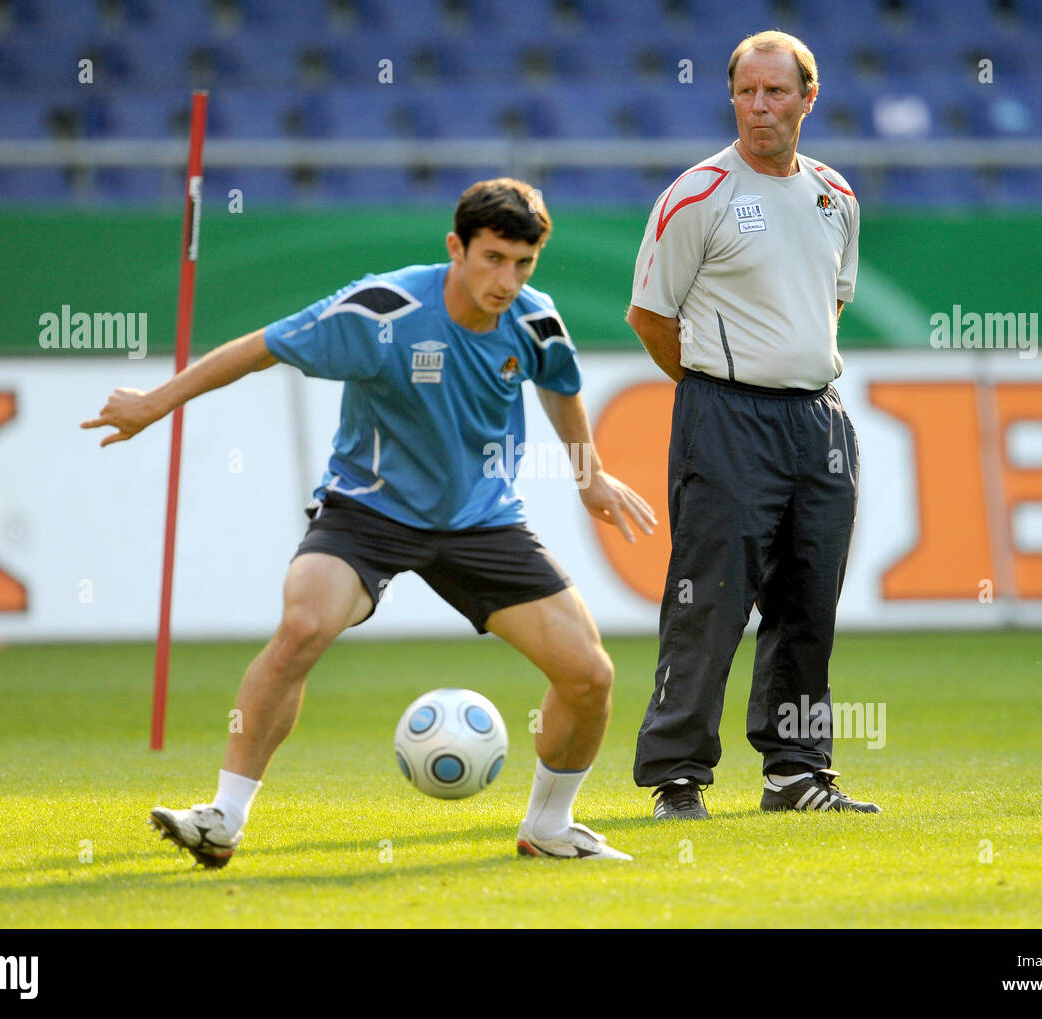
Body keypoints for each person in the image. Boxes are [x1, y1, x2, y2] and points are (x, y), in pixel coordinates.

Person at [81, 178, 656, 864]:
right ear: (456, 247)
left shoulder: (535, 321)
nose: (508, 280)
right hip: (370, 507)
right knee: (302, 627)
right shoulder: (382, 310)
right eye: (493, 258)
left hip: (482, 519)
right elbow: (261, 345)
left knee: (590, 674)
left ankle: (550, 826)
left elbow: (561, 386)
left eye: (523, 263)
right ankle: (223, 817)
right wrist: (155, 402)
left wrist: (588, 475)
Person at [626, 32, 881, 819]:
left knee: (809, 600)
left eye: (776, 92)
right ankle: (678, 777)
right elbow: (649, 316)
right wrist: (719, 385)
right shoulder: (696, 195)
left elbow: (829, 305)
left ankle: (796, 772)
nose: (760, 107)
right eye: (746, 92)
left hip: (820, 420)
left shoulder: (836, 195)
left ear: (810, 97)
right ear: (731, 96)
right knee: (710, 599)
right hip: (726, 415)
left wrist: (789, 369)